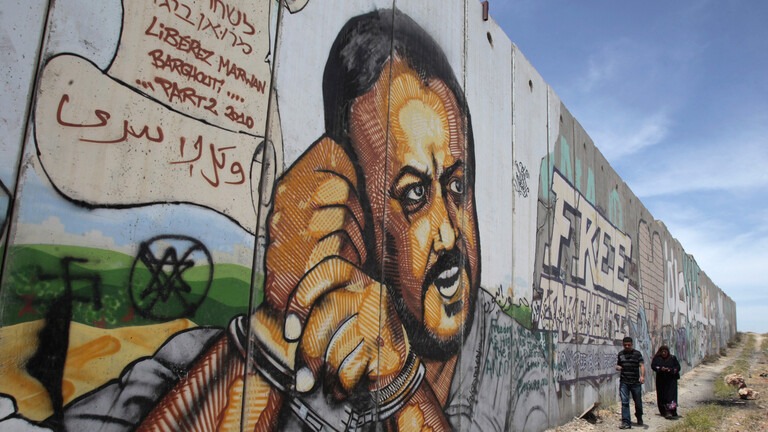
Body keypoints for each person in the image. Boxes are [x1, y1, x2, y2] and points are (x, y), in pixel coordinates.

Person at [59, 9, 553, 431]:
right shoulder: (210, 364)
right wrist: (278, 327)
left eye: (458, 187)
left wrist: (400, 386)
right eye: (415, 194)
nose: (449, 231)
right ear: (349, 208)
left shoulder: (518, 364)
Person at [616, 336, 645, 429]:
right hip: (624, 382)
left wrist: (642, 376)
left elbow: (641, 365)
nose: (627, 346)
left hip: (635, 382)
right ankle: (626, 422)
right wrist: (618, 367)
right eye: (625, 345)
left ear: (632, 344)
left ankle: (639, 416)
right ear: (623, 345)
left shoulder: (637, 354)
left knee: (638, 401)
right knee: (624, 402)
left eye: (629, 345)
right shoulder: (620, 354)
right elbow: (618, 365)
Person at [651, 345, 680, 419]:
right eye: (662, 352)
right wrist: (661, 369)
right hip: (661, 381)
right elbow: (653, 366)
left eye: (665, 351)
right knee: (662, 395)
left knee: (671, 395)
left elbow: (678, 367)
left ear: (667, 352)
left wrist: (670, 370)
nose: (664, 353)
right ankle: (665, 411)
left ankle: (672, 410)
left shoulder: (672, 358)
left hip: (671, 381)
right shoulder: (657, 359)